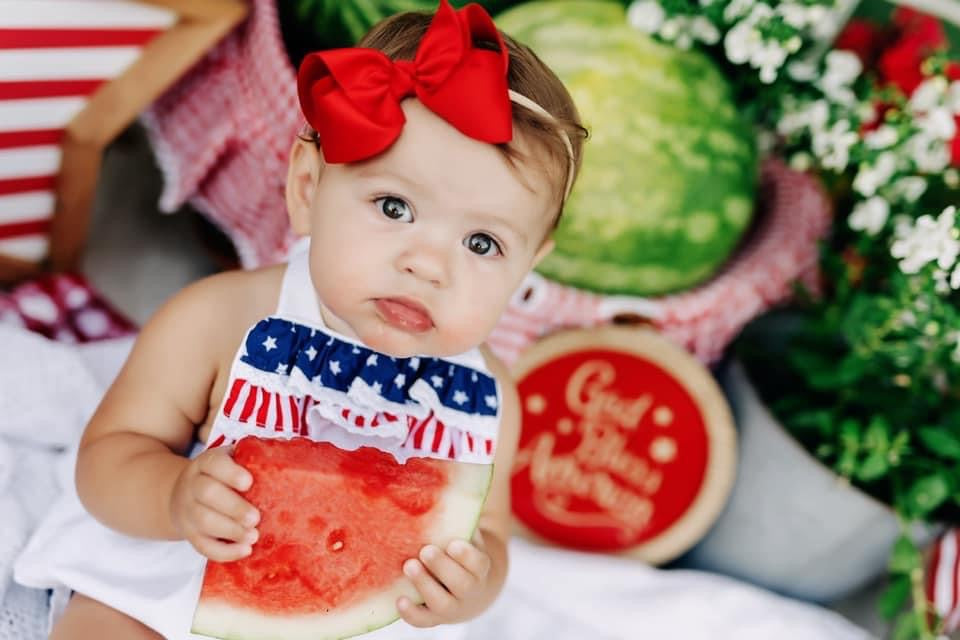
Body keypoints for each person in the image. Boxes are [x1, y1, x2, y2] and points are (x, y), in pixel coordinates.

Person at [15, 1, 586, 638]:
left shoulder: (486, 399)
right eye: (394, 206)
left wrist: (473, 584)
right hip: (171, 582)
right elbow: (107, 460)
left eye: (482, 245)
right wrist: (175, 496)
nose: (428, 266)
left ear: (528, 267)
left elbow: (491, 538)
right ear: (308, 188)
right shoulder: (219, 318)